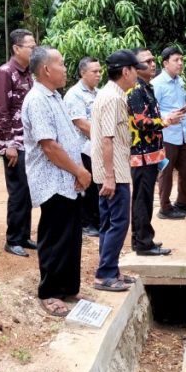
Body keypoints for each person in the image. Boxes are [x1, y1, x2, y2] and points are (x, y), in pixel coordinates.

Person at [20, 46, 93, 318]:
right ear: (46, 69)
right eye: (61, 64)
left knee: (71, 236)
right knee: (55, 236)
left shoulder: (55, 96)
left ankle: (68, 288)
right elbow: (50, 146)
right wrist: (79, 171)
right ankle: (50, 292)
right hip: (52, 180)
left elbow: (68, 139)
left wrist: (77, 172)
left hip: (68, 179)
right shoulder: (37, 100)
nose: (65, 69)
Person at [91, 51, 143, 291]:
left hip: (110, 169)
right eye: (135, 70)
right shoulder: (113, 98)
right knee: (119, 222)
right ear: (125, 71)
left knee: (108, 222)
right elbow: (107, 139)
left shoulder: (109, 94)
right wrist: (110, 176)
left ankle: (111, 269)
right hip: (115, 171)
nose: (137, 74)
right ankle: (104, 274)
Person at [128, 48, 186, 256]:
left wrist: (166, 118)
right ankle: (143, 243)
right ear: (135, 67)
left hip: (151, 153)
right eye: (147, 61)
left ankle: (141, 239)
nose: (152, 64)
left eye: (153, 60)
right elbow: (141, 122)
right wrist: (166, 121)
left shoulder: (147, 87)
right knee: (142, 199)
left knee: (144, 198)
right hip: (142, 154)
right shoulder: (136, 90)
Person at [0, 28, 38, 257]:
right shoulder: (5, 73)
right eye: (31, 46)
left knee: (28, 190)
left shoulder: (28, 74)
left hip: (28, 142)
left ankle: (23, 236)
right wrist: (8, 144)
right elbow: (1, 112)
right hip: (14, 144)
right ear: (16, 48)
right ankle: (12, 240)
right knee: (18, 191)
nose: (34, 50)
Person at [153, 47, 186, 219]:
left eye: (181, 59)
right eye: (176, 60)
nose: (180, 63)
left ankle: (182, 203)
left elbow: (183, 107)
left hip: (181, 133)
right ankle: (164, 207)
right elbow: (152, 110)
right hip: (167, 135)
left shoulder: (179, 81)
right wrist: (168, 117)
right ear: (165, 63)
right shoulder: (157, 84)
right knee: (167, 171)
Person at [64, 56, 103, 237]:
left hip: (97, 147)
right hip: (82, 148)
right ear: (83, 73)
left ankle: (96, 220)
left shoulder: (98, 93)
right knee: (87, 185)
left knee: (97, 184)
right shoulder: (74, 94)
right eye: (94, 71)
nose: (98, 74)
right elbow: (81, 123)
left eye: (100, 71)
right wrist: (103, 138)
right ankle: (86, 223)